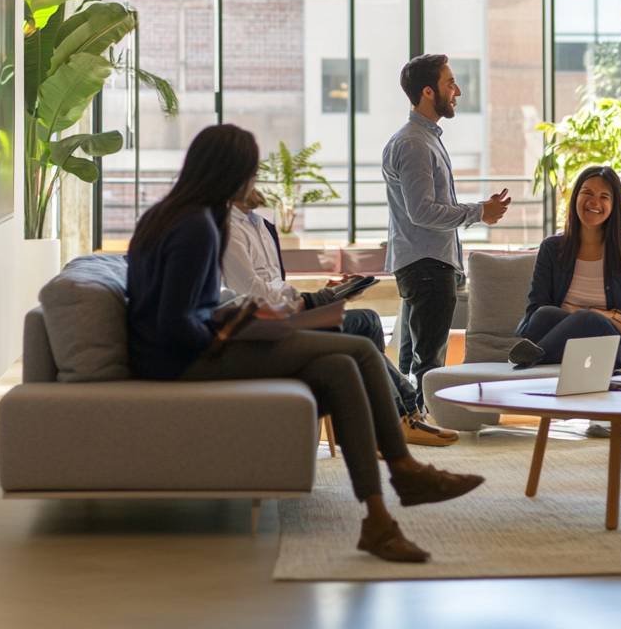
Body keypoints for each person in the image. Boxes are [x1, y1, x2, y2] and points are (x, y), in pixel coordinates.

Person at [127, 124, 484, 564]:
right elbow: (175, 324)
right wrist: (237, 330)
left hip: (176, 352)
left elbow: (179, 310)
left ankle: (379, 521)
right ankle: (405, 471)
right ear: (233, 172)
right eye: (251, 171)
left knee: (340, 366)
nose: (253, 180)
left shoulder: (168, 215)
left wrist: (237, 318)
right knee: (355, 348)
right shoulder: (201, 226)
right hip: (183, 362)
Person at [221, 185, 458, 447]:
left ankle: (399, 416)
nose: (255, 183)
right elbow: (252, 293)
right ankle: (397, 417)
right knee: (363, 326)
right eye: (250, 174)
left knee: (367, 321)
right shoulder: (228, 229)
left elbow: (274, 286)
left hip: (286, 313)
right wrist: (313, 301)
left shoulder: (261, 225)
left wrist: (325, 293)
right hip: (266, 326)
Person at [382, 53, 511, 398]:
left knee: (416, 359)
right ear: (428, 92)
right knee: (427, 363)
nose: (458, 91)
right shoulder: (414, 143)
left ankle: (413, 421)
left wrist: (478, 211)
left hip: (428, 262)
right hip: (426, 265)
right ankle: (424, 425)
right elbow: (422, 212)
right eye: (450, 83)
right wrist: (478, 212)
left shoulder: (425, 139)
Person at [509, 165, 621, 371]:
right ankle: (539, 354)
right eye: (587, 193)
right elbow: (535, 311)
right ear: (576, 197)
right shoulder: (551, 248)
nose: (594, 202)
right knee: (544, 314)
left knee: (589, 319)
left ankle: (534, 356)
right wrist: (595, 316)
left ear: (614, 205)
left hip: (610, 346)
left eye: (604, 196)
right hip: (561, 339)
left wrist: (593, 314)